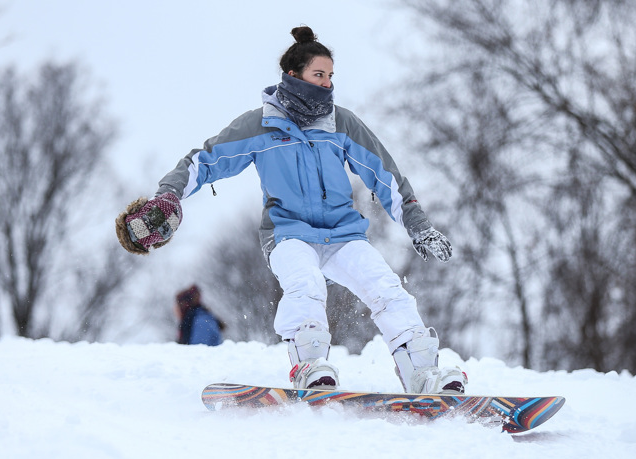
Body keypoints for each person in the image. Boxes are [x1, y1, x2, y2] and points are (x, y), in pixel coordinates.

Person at [116, 26, 467, 394]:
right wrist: (168, 195)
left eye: (331, 76)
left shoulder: (340, 123)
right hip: (288, 234)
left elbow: (386, 175)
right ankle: (310, 366)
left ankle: (423, 373)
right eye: (319, 75)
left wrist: (418, 225)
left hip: (343, 234)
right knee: (305, 284)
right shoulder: (261, 125)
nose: (327, 84)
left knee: (388, 290)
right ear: (293, 75)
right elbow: (204, 160)